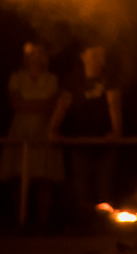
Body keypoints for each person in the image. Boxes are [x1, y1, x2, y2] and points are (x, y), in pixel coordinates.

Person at [48, 41, 123, 227]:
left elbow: (114, 105)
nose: (99, 60)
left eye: (101, 56)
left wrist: (116, 131)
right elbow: (62, 105)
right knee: (81, 189)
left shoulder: (108, 77)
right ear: (83, 56)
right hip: (80, 143)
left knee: (105, 190)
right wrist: (52, 129)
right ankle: (84, 226)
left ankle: (105, 227)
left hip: (105, 143)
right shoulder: (74, 79)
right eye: (94, 55)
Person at [0, 42, 64, 231]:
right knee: (19, 178)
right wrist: (40, 105)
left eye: (39, 53)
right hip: (21, 131)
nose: (36, 56)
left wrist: (29, 105)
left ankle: (43, 224)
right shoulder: (16, 77)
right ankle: (20, 222)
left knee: (44, 179)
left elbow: (53, 104)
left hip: (44, 131)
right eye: (32, 53)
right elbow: (15, 103)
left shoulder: (52, 79)